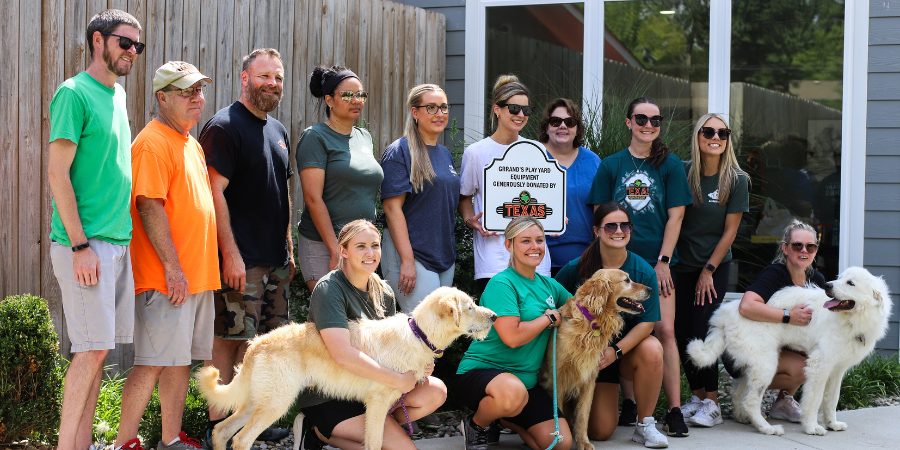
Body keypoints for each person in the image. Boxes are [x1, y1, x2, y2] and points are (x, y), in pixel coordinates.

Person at [46, 10, 142, 450]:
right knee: (89, 351)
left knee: (100, 349)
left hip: (116, 243)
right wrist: (81, 244)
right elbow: (57, 174)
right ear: (98, 39)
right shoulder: (73, 93)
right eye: (125, 43)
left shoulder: (118, 95)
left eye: (138, 47)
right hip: (85, 245)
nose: (132, 53)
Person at [112, 62, 216, 450]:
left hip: (195, 277)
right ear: (162, 97)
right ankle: (125, 442)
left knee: (179, 361)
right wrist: (173, 268)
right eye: (187, 92)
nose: (197, 99)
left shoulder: (191, 142)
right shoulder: (153, 142)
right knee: (152, 361)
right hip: (166, 279)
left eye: (200, 91)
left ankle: (170, 438)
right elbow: (148, 205)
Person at [199, 48, 294, 445]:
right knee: (230, 339)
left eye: (278, 78)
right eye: (264, 76)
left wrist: (287, 242)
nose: (272, 84)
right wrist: (230, 254)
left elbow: (283, 191)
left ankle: (249, 421)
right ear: (244, 78)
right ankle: (214, 424)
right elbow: (213, 192)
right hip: (241, 260)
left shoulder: (278, 130)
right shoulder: (224, 126)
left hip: (275, 260)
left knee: (262, 348)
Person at [588, 97, 692, 436]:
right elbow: (600, 214)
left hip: (658, 262)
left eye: (655, 120)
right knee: (620, 328)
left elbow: (677, 216)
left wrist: (663, 260)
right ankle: (630, 403)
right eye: (641, 118)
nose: (649, 125)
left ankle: (674, 408)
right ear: (629, 122)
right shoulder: (611, 164)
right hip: (620, 265)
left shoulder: (671, 165)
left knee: (664, 331)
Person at [297, 220, 446, 450]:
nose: (370, 253)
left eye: (375, 245)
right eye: (361, 246)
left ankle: (378, 429)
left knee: (435, 390)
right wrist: (398, 379)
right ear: (343, 251)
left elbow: (393, 350)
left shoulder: (384, 292)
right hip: (331, 395)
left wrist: (418, 366)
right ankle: (317, 430)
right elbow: (343, 355)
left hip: (371, 389)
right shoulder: (329, 289)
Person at [453, 216, 573, 450]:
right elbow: (513, 338)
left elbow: (580, 310)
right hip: (482, 373)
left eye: (539, 240)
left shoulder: (549, 285)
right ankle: (477, 424)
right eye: (525, 241)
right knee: (512, 394)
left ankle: (506, 417)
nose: (534, 247)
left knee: (561, 444)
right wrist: (548, 318)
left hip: (524, 384)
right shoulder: (502, 283)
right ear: (509, 245)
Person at [555, 203, 668, 448]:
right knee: (601, 431)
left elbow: (648, 323)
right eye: (611, 226)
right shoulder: (577, 268)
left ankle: (645, 423)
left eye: (624, 225)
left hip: (618, 355)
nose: (619, 230)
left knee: (652, 348)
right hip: (582, 355)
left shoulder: (642, 270)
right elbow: (552, 300)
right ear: (596, 231)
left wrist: (615, 352)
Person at [673, 114, 749, 428]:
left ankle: (713, 403)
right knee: (680, 331)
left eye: (722, 132)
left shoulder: (736, 178)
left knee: (704, 328)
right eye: (708, 131)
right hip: (681, 264)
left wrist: (708, 270)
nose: (715, 137)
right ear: (699, 135)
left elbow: (730, 232)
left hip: (713, 265)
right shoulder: (683, 171)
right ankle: (697, 396)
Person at [459, 75, 552, 296]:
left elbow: (546, 197)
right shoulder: (476, 153)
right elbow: (464, 198)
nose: (520, 115)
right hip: (494, 258)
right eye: (514, 109)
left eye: (526, 110)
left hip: (535, 258)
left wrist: (555, 217)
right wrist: (472, 221)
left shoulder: (537, 150)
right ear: (497, 110)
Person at [297, 65, 383, 292]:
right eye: (347, 95)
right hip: (324, 245)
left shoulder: (364, 137)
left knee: (359, 321)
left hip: (360, 247)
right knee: (331, 319)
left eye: (360, 95)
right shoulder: (315, 137)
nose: (356, 100)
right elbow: (313, 199)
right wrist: (335, 249)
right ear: (329, 100)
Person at [733, 220, 826, 423]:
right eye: (797, 245)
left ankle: (784, 401)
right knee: (805, 367)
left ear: (816, 250)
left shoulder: (816, 280)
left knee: (816, 359)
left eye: (810, 246)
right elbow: (747, 306)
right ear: (785, 248)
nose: (804, 251)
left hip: (785, 345)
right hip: (751, 344)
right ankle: (746, 390)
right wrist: (788, 315)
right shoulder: (775, 274)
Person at [380, 84, 460, 312]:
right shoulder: (400, 152)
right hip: (413, 256)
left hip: (444, 256)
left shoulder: (444, 153)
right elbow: (392, 208)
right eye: (431, 108)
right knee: (424, 332)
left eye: (444, 108)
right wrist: (406, 260)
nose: (440, 114)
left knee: (441, 333)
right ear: (415, 112)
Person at [537, 98, 601, 275]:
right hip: (537, 260)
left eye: (570, 122)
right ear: (546, 126)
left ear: (577, 128)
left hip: (584, 260)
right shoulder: (532, 156)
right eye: (556, 121)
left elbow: (601, 211)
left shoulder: (593, 161)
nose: (562, 126)